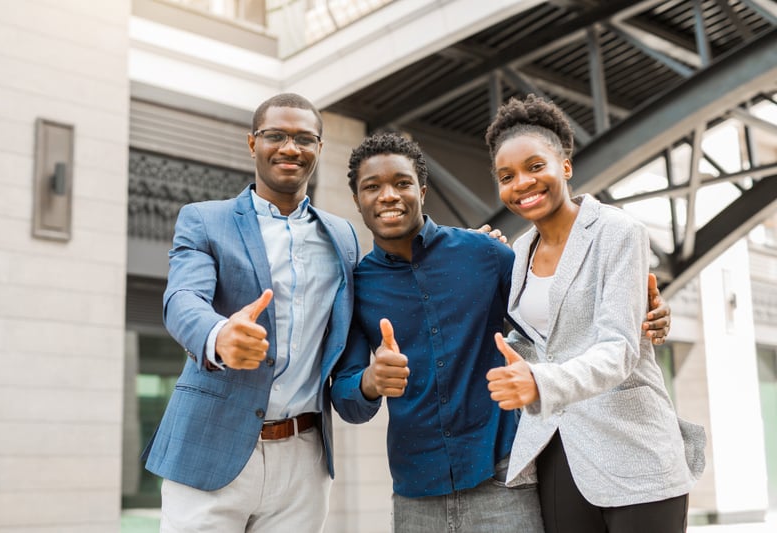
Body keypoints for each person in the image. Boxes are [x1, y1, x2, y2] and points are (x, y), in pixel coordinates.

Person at [330, 132, 672, 533]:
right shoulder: (357, 286)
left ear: (422, 190)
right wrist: (370, 382)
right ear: (357, 200)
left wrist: (650, 312)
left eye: (402, 183)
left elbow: (558, 316)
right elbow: (347, 399)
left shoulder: (485, 254)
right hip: (415, 490)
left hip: (503, 477)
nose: (388, 195)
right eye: (372, 187)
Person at [484, 94, 706, 533]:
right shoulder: (520, 252)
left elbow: (618, 348)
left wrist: (539, 381)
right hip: (558, 446)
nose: (521, 184)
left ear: (564, 166)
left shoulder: (618, 232)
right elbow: (542, 340)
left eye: (534, 166)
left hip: (633, 447)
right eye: (506, 176)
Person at [141, 93, 360, 532]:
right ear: (251, 143)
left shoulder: (343, 235)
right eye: (274, 135)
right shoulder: (205, 220)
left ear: (319, 148)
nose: (289, 147)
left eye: (304, 138)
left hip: (304, 456)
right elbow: (182, 298)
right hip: (210, 448)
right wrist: (219, 335)